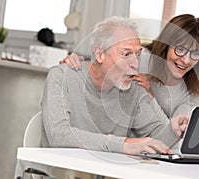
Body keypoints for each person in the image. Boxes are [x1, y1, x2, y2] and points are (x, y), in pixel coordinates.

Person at [42, 16, 189, 155]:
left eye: (138, 54)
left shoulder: (133, 88)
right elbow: (58, 135)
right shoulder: (61, 76)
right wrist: (123, 145)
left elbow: (155, 140)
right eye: (126, 54)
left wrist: (173, 130)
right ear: (100, 55)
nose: (136, 64)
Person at [62, 14, 199, 119]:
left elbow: (176, 131)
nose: (186, 60)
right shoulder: (141, 58)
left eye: (195, 53)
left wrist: (150, 96)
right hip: (125, 139)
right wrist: (77, 64)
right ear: (166, 45)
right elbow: (102, 68)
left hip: (159, 146)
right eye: (180, 50)